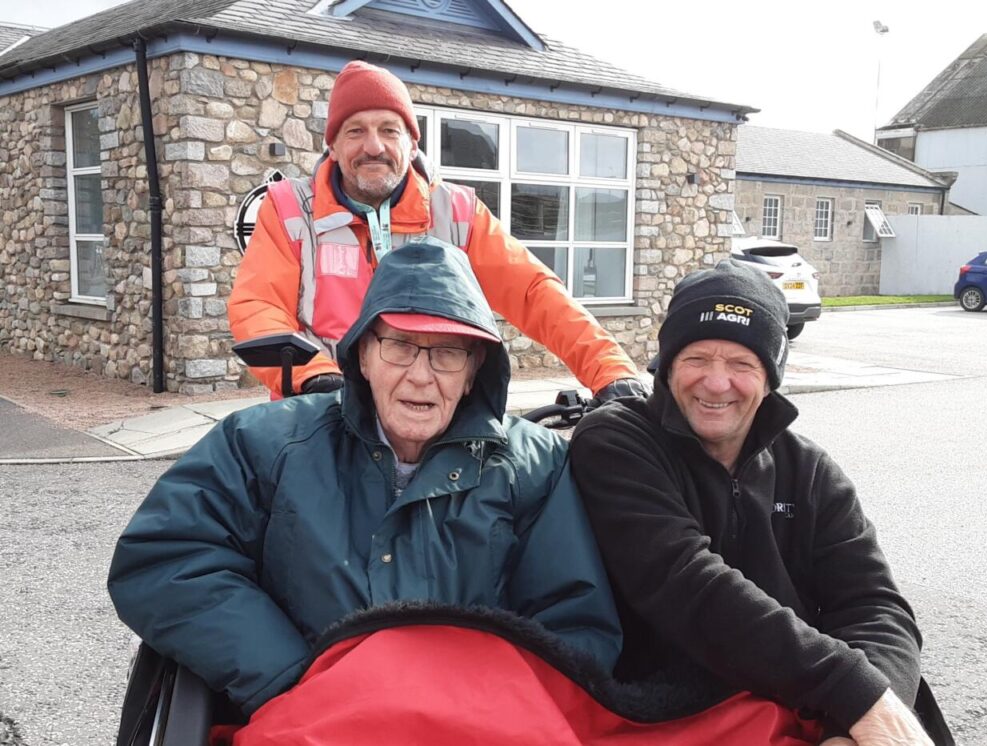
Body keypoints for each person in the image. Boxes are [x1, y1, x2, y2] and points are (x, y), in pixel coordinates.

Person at [109, 239, 621, 717]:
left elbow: (574, 623)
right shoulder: (265, 443)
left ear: (473, 373)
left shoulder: (539, 467)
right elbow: (166, 556)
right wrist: (295, 680)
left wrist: (473, 713)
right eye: (399, 345)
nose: (421, 376)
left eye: (447, 353)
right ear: (364, 354)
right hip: (307, 716)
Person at [569, 259, 936, 745]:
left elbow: (874, 604)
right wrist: (852, 689)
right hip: (668, 714)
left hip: (805, 705)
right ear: (668, 365)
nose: (716, 383)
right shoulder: (617, 440)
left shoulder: (808, 469)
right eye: (697, 358)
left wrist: (853, 720)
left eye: (742, 364)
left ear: (770, 376)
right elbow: (687, 583)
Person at [228, 59, 645, 403]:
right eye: (355, 131)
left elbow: (535, 293)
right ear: (333, 147)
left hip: (431, 414)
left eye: (389, 129)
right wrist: (316, 377)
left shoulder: (456, 211)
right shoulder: (287, 208)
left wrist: (609, 370)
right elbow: (259, 307)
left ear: (412, 143)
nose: (373, 145)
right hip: (320, 411)